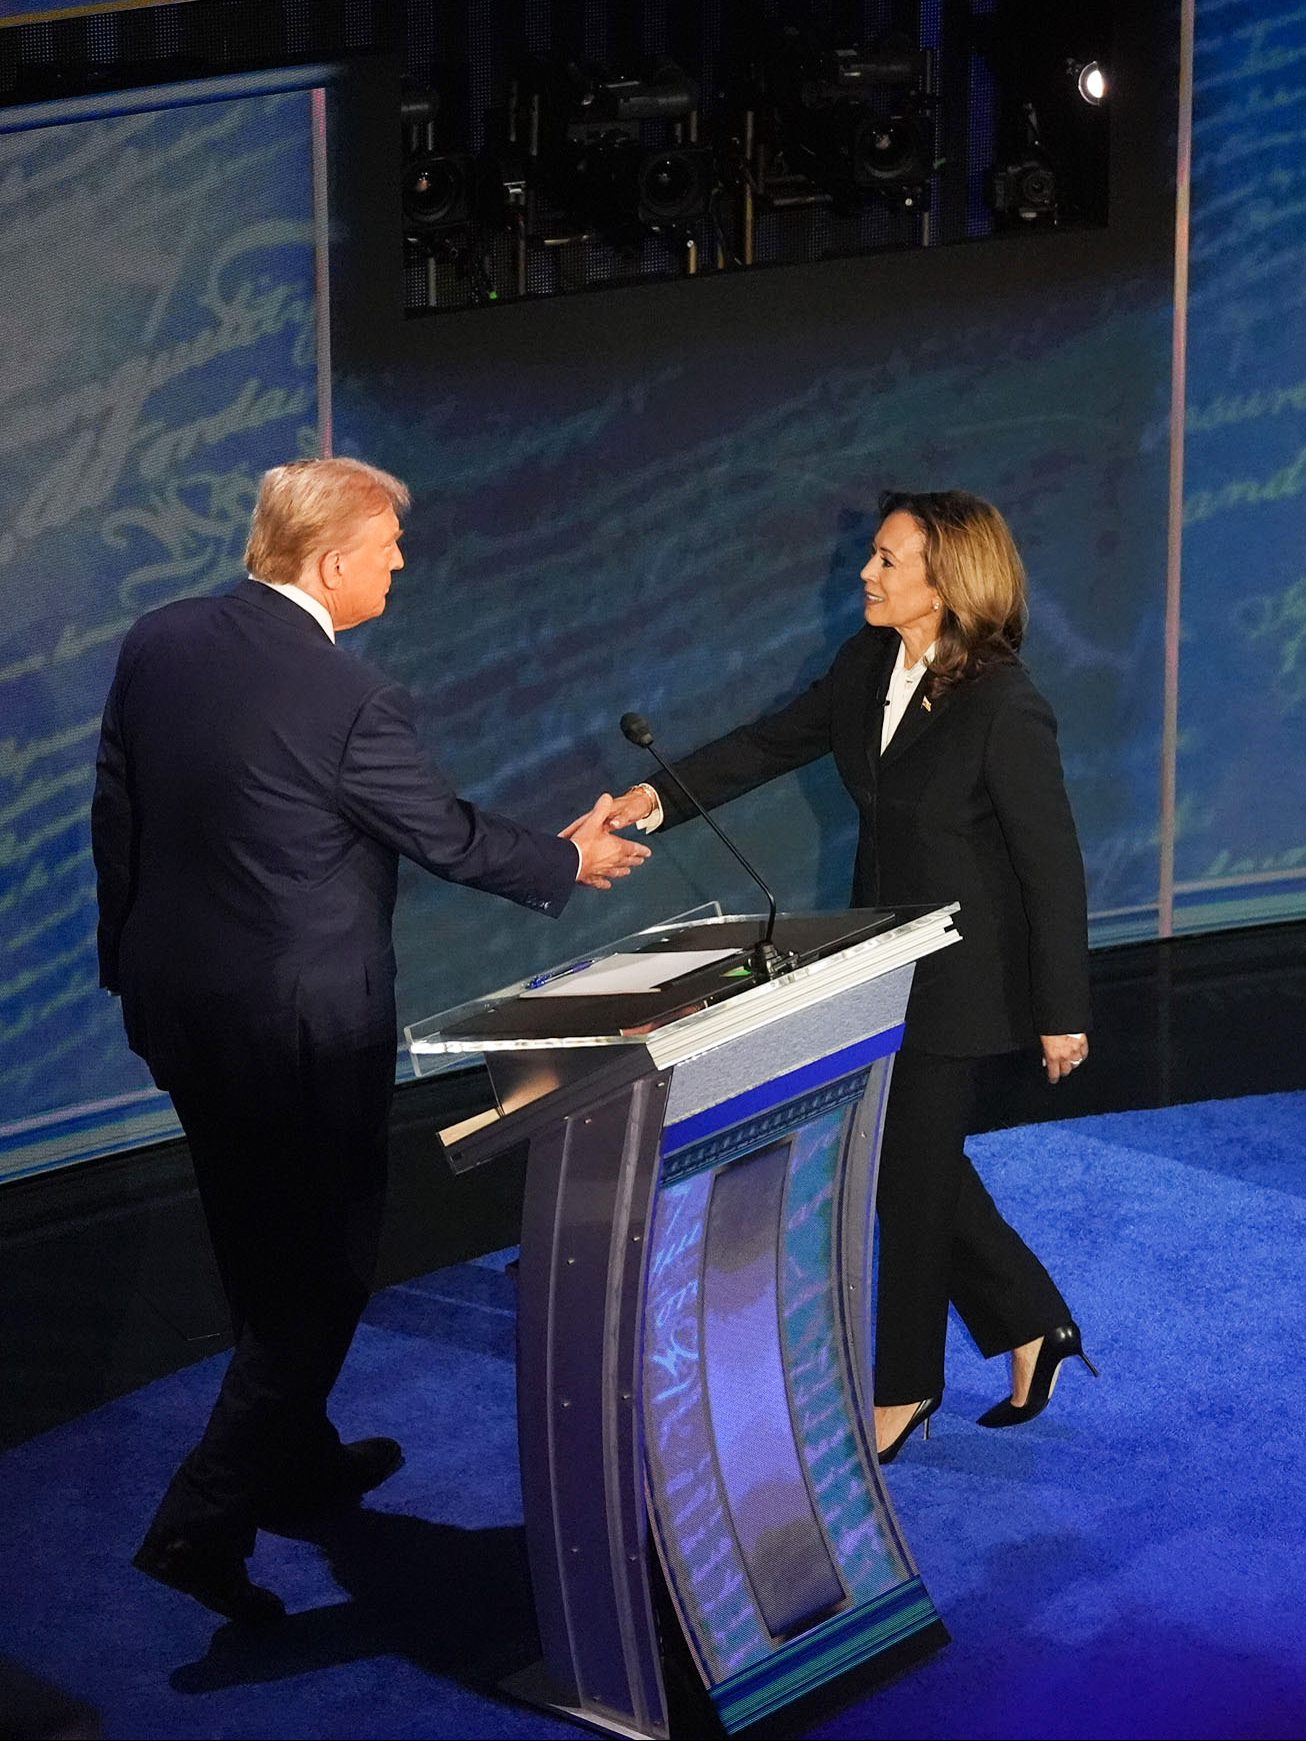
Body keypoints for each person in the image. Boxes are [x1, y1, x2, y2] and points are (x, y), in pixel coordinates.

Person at [91, 456, 650, 1624]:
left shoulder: (162, 640)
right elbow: (441, 834)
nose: (400, 561)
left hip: (182, 1011)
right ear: (335, 560)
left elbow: (117, 813)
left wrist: (130, 970)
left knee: (256, 1244)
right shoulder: (349, 698)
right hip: (300, 1032)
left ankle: (295, 1462)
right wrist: (570, 859)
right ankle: (202, 1522)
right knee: (324, 1279)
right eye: (390, 545)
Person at [602, 489, 1097, 1464]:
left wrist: (1061, 1011)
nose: (864, 574)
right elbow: (767, 742)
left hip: (965, 973)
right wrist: (655, 797)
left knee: (905, 1179)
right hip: (880, 957)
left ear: (945, 580)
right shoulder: (865, 662)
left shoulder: (1004, 703)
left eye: (885, 559)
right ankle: (1036, 1321)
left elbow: (1053, 865)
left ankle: (904, 1390)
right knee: (919, 1163)